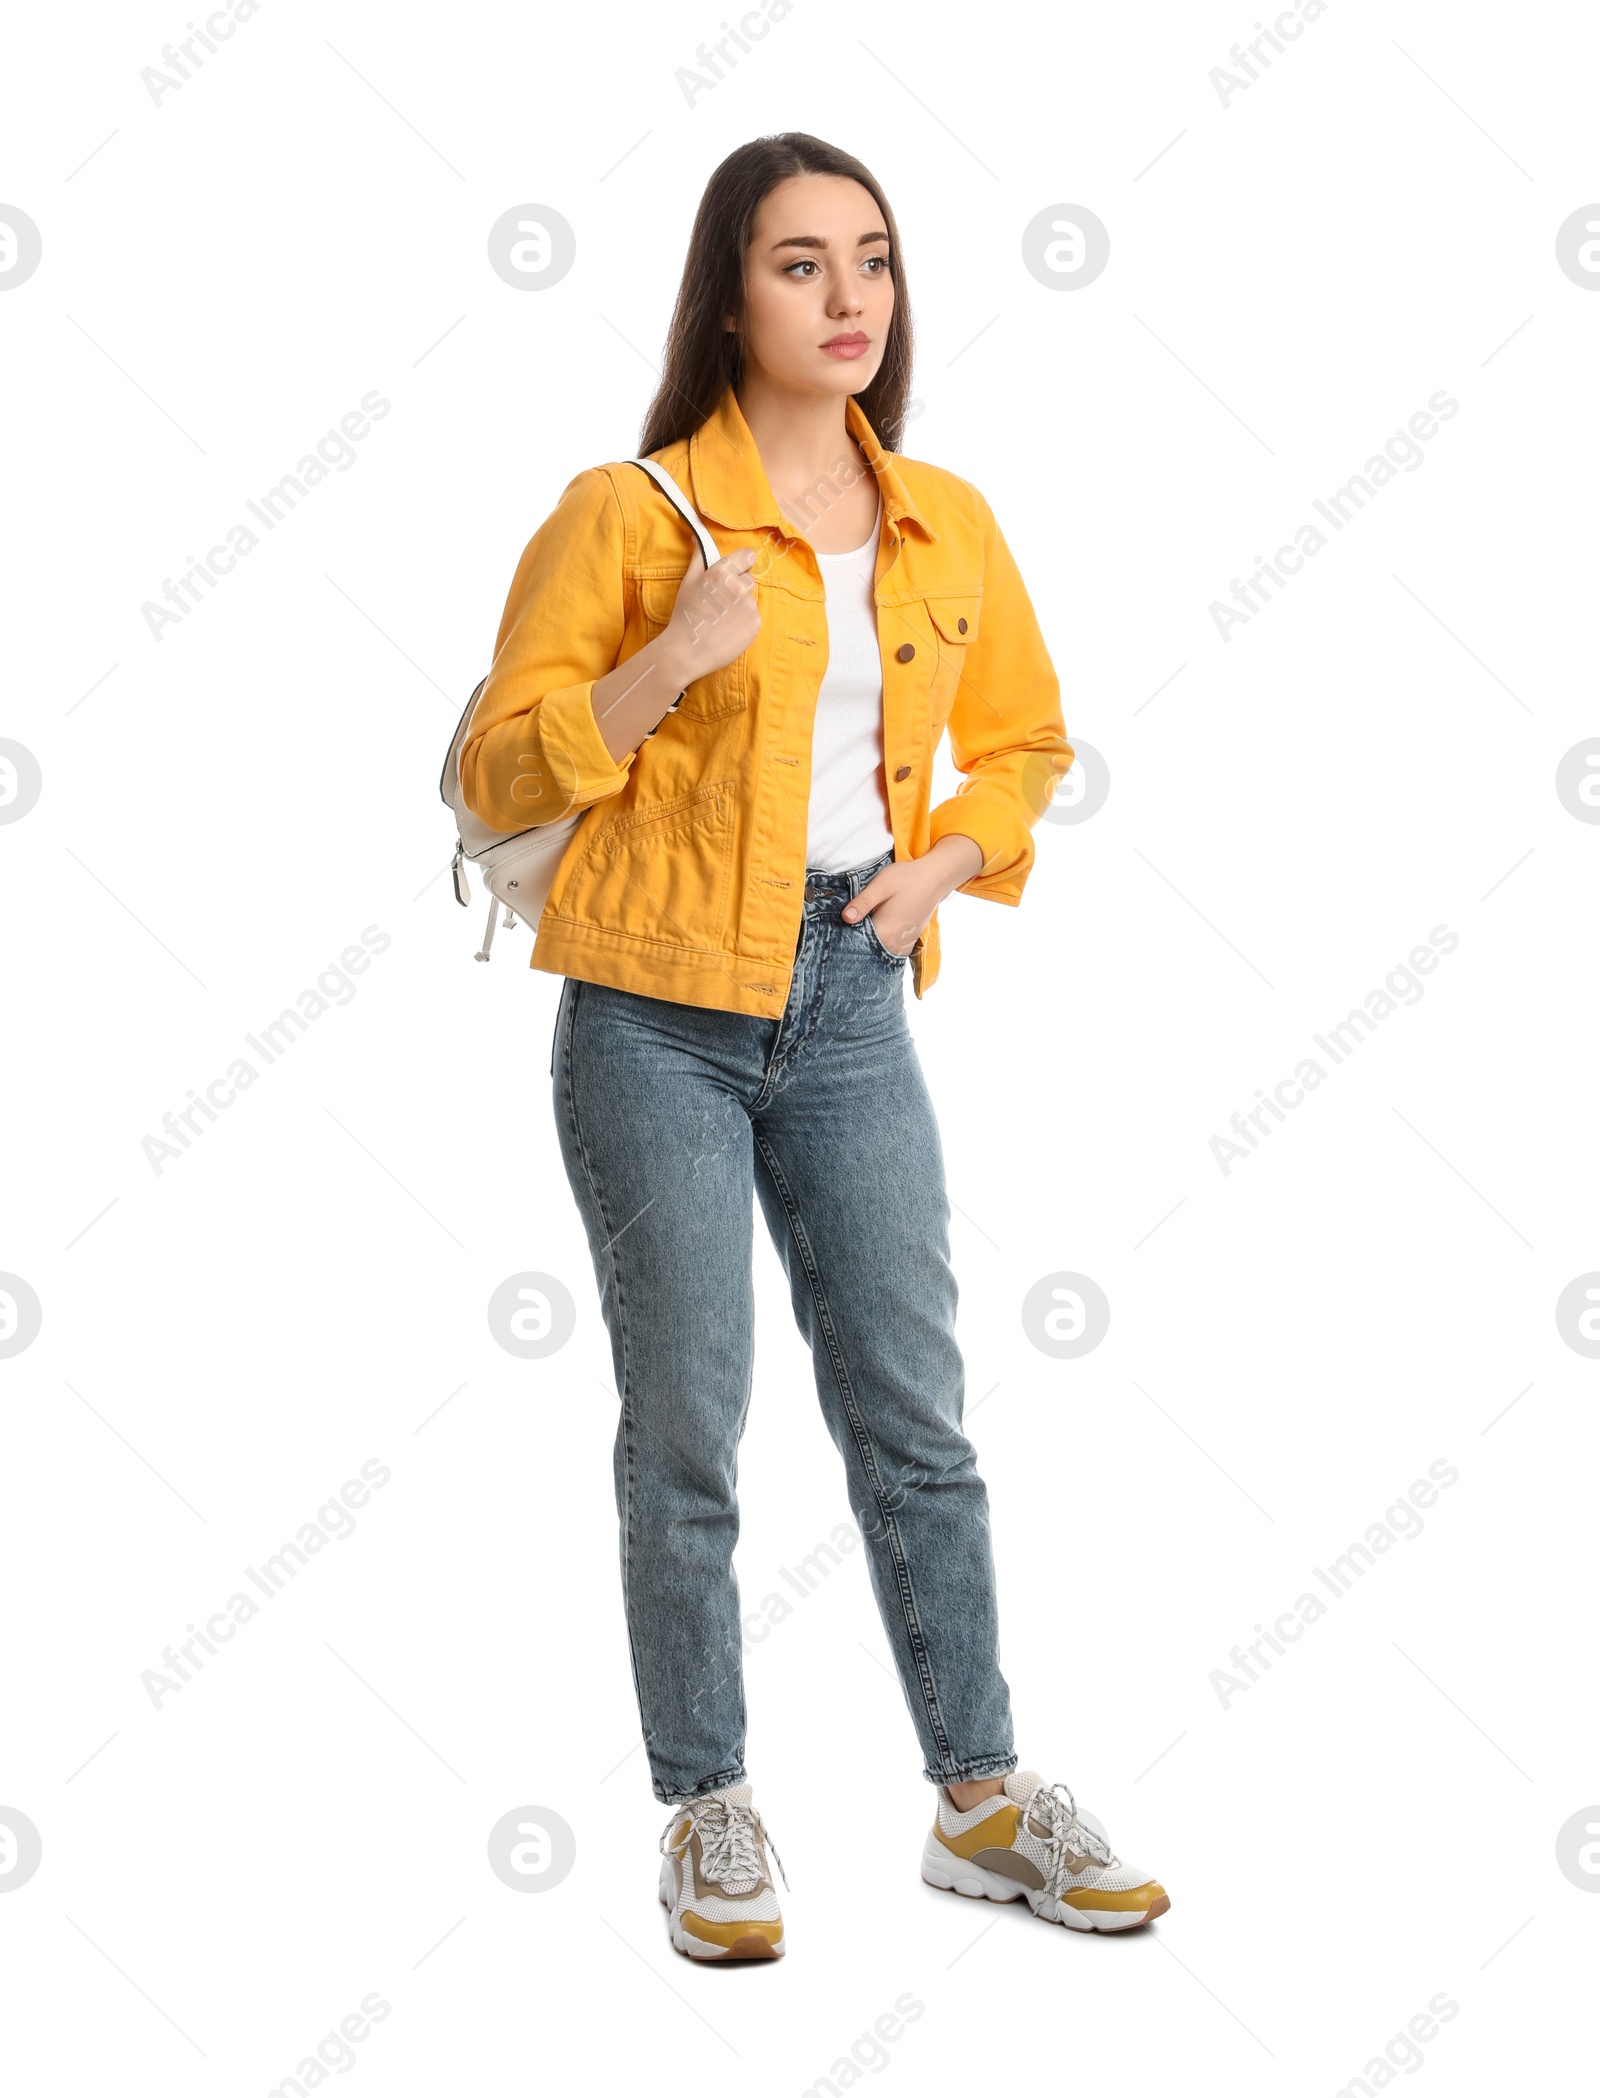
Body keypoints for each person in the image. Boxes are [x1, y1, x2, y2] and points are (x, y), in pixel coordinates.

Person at [460, 131, 1170, 1960]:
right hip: (651, 1014)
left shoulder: (946, 520)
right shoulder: (628, 516)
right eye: (801, 265)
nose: (849, 299)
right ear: (728, 292)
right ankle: (709, 1805)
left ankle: (984, 1796)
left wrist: (944, 864)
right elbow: (496, 768)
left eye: (872, 259)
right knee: (688, 1424)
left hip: (851, 992)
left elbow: (1027, 740)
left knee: (914, 1417)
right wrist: (663, 665)